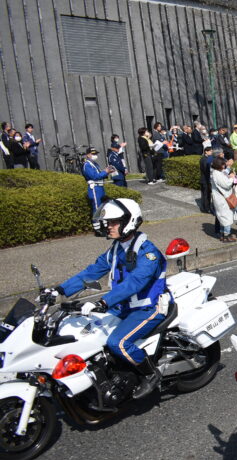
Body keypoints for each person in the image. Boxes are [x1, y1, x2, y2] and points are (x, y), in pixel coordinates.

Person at [53, 198, 166, 399]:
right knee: (86, 332)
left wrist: (103, 302)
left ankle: (151, 374)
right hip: (123, 307)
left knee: (118, 342)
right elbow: (93, 271)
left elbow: (136, 283)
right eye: (108, 222)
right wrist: (59, 290)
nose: (109, 226)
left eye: (114, 222)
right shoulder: (115, 249)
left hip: (148, 307)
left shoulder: (148, 252)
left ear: (129, 221)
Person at [82, 147, 115, 233]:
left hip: (100, 187)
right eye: (93, 154)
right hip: (94, 188)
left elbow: (100, 174)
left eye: (95, 154)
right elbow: (95, 176)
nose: (95, 155)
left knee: (103, 206)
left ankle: (104, 226)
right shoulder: (87, 165)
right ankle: (97, 229)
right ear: (88, 155)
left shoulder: (95, 164)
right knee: (97, 208)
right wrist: (105, 171)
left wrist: (107, 172)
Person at [210, 156, 237, 242]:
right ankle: (227, 235)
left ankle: (222, 234)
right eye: (223, 164)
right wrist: (232, 178)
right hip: (222, 199)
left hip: (221, 198)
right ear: (220, 165)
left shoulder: (217, 172)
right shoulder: (217, 174)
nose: (225, 165)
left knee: (223, 216)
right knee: (226, 216)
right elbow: (226, 184)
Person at [199, 146, 214, 213]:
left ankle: (207, 207)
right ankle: (205, 208)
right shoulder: (204, 159)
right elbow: (206, 169)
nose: (211, 152)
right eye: (210, 151)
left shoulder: (208, 158)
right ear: (206, 151)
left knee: (208, 194)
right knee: (205, 194)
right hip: (205, 180)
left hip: (207, 179)